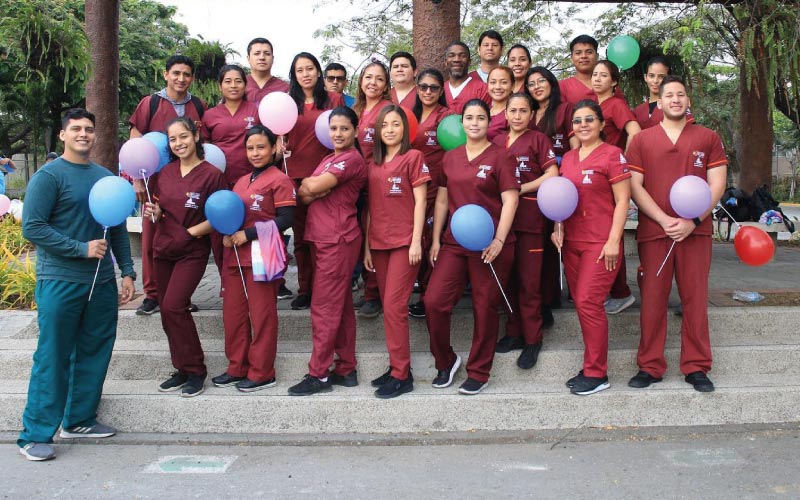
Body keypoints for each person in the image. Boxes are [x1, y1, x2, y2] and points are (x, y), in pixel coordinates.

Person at [18, 108, 136, 461]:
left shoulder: (104, 177)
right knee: (53, 355)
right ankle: (34, 434)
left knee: (95, 349)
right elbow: (33, 227)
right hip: (60, 280)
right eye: (76, 129)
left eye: (89, 129)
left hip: (100, 283)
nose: (83, 134)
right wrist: (79, 249)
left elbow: (115, 227)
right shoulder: (48, 177)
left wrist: (127, 271)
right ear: (62, 135)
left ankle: (79, 418)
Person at [625, 75, 727, 393]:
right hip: (656, 232)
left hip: (695, 233)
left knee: (694, 299)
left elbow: (717, 184)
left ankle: (696, 366)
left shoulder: (707, 137)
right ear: (660, 99)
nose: (675, 99)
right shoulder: (642, 140)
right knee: (653, 300)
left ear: (687, 100)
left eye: (681, 94)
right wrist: (663, 218)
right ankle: (650, 365)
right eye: (669, 94)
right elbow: (634, 187)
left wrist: (693, 220)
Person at [426, 98, 519, 396]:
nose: (475, 122)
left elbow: (510, 200)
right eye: (469, 117)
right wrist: (437, 238)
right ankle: (446, 360)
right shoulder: (450, 157)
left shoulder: (501, 156)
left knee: (484, 306)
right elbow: (442, 199)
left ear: (489, 122)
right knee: (433, 301)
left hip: (490, 244)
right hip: (454, 242)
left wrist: (499, 240)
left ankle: (479, 371)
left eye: (481, 117)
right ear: (462, 122)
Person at [552, 100, 632, 396]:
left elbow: (623, 200)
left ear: (601, 124)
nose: (582, 125)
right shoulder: (569, 158)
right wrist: (556, 228)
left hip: (600, 243)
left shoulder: (613, 155)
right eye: (577, 121)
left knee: (588, 302)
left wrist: (614, 240)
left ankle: (598, 373)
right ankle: (590, 366)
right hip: (572, 241)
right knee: (583, 305)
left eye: (589, 119)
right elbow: (560, 199)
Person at [143, 117, 226, 398]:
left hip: (191, 251)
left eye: (183, 137)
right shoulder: (163, 174)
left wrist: (190, 232)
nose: (179, 143)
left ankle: (196, 370)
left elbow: (219, 216)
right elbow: (161, 210)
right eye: (173, 139)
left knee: (175, 306)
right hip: (163, 249)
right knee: (166, 312)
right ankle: (181, 367)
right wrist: (155, 213)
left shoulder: (212, 175)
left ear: (196, 135)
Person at [288, 106, 368, 396]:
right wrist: (314, 188)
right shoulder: (327, 159)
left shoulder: (351, 159)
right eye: (334, 128)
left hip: (338, 239)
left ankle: (319, 374)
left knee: (323, 309)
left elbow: (314, 185)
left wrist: (315, 187)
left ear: (355, 131)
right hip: (324, 238)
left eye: (344, 128)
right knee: (342, 306)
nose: (338, 133)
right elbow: (304, 192)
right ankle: (346, 368)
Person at [212, 125, 296, 392]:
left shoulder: (280, 180)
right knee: (233, 314)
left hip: (264, 252)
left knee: (262, 316)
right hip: (236, 255)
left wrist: (247, 234)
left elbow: (287, 219)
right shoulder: (240, 181)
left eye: (261, 147)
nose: (256, 152)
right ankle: (237, 367)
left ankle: (262, 372)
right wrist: (227, 234)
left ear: (274, 149)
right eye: (250, 148)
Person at [129, 55, 206, 317]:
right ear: (166, 75)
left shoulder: (198, 105)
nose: (181, 78)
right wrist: (136, 179)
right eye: (176, 73)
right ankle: (153, 294)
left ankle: (179, 293)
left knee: (183, 235)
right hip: (156, 182)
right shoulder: (150, 104)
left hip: (189, 181)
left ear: (192, 78)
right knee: (152, 236)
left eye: (186, 74)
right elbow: (135, 142)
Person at [364, 105, 429, 398]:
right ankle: (395, 367)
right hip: (378, 242)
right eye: (385, 125)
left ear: (405, 129)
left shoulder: (413, 157)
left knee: (393, 306)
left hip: (405, 242)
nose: (390, 129)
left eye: (396, 124)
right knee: (390, 307)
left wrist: (416, 241)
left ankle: (402, 375)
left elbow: (421, 202)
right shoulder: (373, 163)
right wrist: (366, 245)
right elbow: (370, 208)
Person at [493, 93, 558, 368]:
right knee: (507, 280)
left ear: (531, 115)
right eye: (513, 111)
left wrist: (520, 189)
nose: (518, 116)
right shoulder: (495, 141)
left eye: (523, 111)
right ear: (505, 114)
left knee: (529, 283)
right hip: (501, 221)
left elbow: (552, 174)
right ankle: (514, 332)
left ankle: (533, 339)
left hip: (530, 219)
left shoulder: (538, 140)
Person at [284, 53, 346, 310]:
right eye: (300, 70)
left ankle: (326, 289)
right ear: (294, 75)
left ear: (318, 72)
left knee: (325, 237)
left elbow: (344, 133)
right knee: (301, 239)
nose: (306, 73)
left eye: (310, 68)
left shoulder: (333, 99)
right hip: (295, 177)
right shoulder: (287, 103)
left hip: (326, 177)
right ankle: (305, 288)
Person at [526, 66, 578, 327]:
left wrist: (570, 173)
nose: (536, 86)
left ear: (551, 83)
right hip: (533, 186)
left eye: (541, 81)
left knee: (558, 238)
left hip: (560, 183)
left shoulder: (565, 110)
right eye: (531, 83)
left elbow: (575, 146)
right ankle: (544, 299)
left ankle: (555, 295)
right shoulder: (528, 112)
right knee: (540, 245)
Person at [592, 60, 640, 314]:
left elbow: (635, 131)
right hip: (595, 178)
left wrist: (623, 158)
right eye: (595, 75)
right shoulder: (595, 105)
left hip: (610, 177)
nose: (597, 79)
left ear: (614, 82)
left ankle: (621, 292)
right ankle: (609, 289)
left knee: (612, 233)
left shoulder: (616, 105)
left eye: (603, 75)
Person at [408, 69, 454, 319]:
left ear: (441, 91)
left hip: (437, 189)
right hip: (410, 189)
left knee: (431, 242)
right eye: (423, 86)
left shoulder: (447, 118)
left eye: (433, 87)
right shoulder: (409, 115)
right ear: (416, 88)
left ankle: (430, 298)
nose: (427, 91)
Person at [353, 61, 393, 318]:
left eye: (379, 79)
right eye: (368, 77)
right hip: (352, 182)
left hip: (377, 180)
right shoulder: (353, 110)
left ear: (386, 85)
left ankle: (373, 293)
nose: (373, 83)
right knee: (358, 235)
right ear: (361, 81)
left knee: (373, 234)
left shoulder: (388, 110)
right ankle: (365, 286)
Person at [202, 64, 260, 187]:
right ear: (220, 86)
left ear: (245, 85)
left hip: (252, 177)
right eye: (228, 81)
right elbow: (204, 148)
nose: (233, 85)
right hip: (218, 178)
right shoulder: (209, 115)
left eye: (238, 81)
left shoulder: (256, 111)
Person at [559, 35, 626, 106]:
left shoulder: (609, 84)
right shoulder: (562, 86)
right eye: (578, 53)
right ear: (571, 58)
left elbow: (623, 111)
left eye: (589, 52)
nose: (584, 56)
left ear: (597, 56)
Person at [632, 56, 694, 130]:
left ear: (668, 78)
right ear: (645, 77)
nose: (655, 81)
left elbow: (690, 133)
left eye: (661, 77)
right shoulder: (637, 111)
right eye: (651, 76)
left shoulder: (676, 104)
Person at [443, 41, 490, 114]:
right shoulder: (440, 90)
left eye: (462, 55)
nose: (456, 59)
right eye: (451, 55)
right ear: (446, 62)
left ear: (469, 62)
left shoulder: (483, 90)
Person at [245, 37, 289, 103]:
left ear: (273, 58)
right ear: (248, 58)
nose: (262, 57)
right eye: (257, 53)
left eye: (267, 54)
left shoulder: (285, 89)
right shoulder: (239, 86)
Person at [487, 66, 514, 141]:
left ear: (512, 85)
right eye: (493, 82)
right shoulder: (484, 110)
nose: (497, 87)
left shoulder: (515, 113)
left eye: (503, 82)